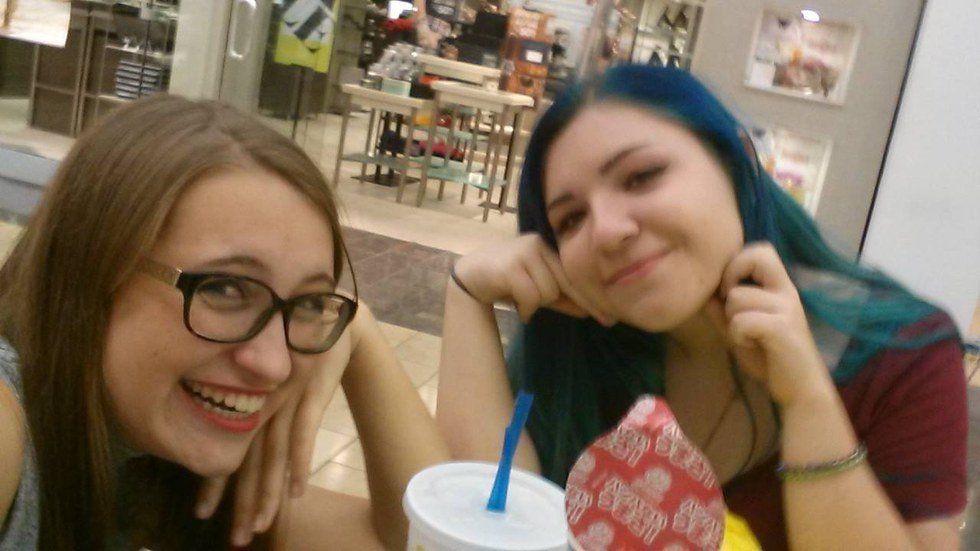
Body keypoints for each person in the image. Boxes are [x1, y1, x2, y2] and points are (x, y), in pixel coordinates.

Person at [438, 65, 967, 550]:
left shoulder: (900, 354)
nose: (607, 231)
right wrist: (466, 296)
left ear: (738, 162)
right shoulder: (585, 351)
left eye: (641, 176)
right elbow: (485, 527)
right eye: (571, 219)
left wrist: (807, 400)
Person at [0, 95, 449, 550]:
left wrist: (361, 332)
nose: (274, 365)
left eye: (311, 302)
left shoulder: (158, 462)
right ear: (89, 268)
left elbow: (425, 542)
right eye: (225, 289)